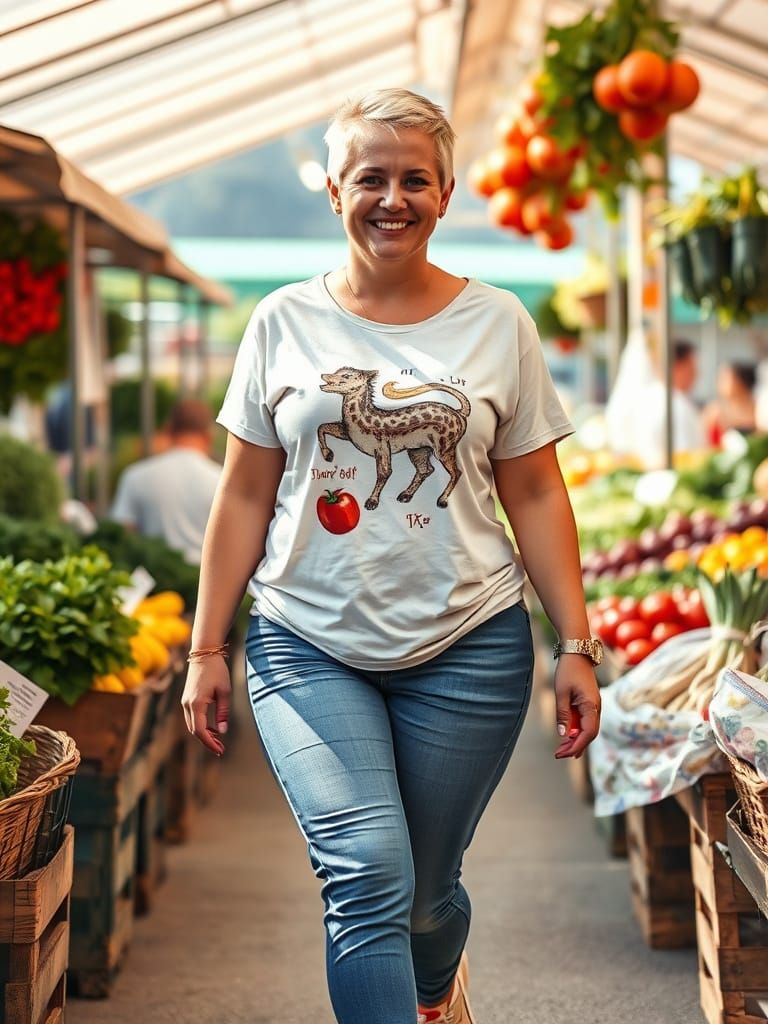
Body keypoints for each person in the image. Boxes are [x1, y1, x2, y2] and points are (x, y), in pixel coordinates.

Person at [181, 88, 601, 1024]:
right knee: (367, 873)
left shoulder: (499, 325)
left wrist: (577, 643)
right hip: (306, 641)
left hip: (470, 641)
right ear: (335, 190)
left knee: (424, 892)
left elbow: (534, 490)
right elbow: (245, 491)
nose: (392, 197)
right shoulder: (282, 322)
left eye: (416, 179)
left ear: (446, 193)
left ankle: (433, 988)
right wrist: (206, 649)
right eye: (371, 177)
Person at [110, 397, 221, 564]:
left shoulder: (135, 476)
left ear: (169, 430)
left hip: (153, 581)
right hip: (204, 583)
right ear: (208, 436)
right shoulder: (221, 481)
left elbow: (123, 536)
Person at [627, 339, 707, 468]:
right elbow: (685, 458)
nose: (697, 374)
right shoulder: (676, 405)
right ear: (676, 366)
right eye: (692, 367)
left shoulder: (646, 398)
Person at [703, 361, 757, 446]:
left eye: (725, 379)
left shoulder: (758, 408)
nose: (720, 383)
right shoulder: (715, 411)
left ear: (741, 382)